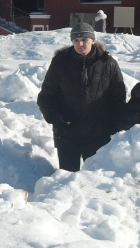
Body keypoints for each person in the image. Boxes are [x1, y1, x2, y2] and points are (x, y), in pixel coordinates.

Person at [37, 23, 127, 171]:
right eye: (76, 40)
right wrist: (54, 116)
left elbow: (118, 100)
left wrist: (114, 127)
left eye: (84, 39)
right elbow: (46, 97)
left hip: (98, 135)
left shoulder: (108, 64)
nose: (80, 44)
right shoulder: (60, 63)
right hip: (67, 134)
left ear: (93, 40)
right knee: (66, 179)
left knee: (94, 181)